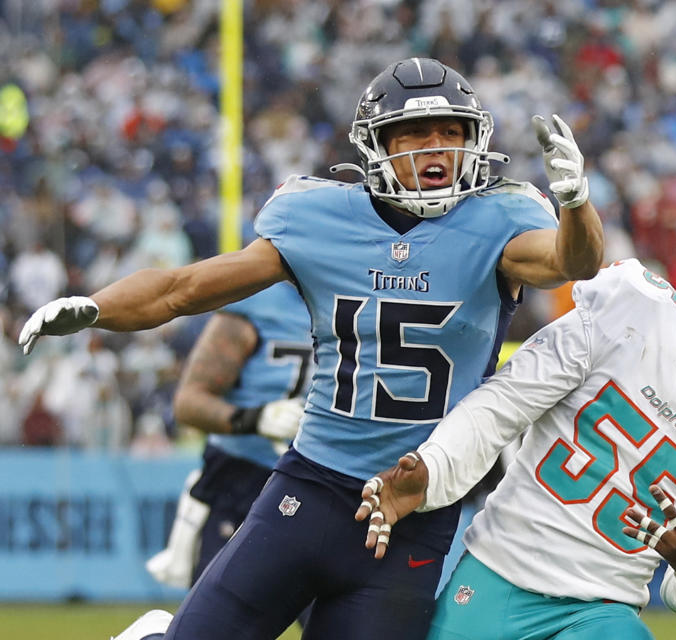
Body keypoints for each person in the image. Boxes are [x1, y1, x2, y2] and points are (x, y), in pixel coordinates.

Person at [19, 57, 604, 640]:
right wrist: (98, 308)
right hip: (312, 486)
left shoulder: (500, 220)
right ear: (378, 145)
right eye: (416, 133)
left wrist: (576, 199)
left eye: (451, 132)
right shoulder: (320, 216)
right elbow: (183, 290)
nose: (437, 148)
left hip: (413, 511)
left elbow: (572, 262)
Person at [355, 219, 676, 640]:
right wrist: (435, 464)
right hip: (500, 570)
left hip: (600, 610)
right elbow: (504, 403)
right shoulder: (629, 305)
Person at [146, 281, 313, 589]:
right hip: (242, 476)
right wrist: (255, 418)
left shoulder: (357, 294)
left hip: (319, 479)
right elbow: (188, 403)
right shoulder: (257, 302)